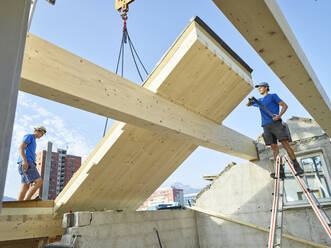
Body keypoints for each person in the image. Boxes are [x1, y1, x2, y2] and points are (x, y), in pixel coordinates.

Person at [246, 82, 304, 179]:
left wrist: (279, 116)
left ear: (266, 88)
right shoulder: (259, 100)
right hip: (265, 126)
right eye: (258, 88)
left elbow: (285, 105)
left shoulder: (273, 96)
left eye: (261, 87)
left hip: (275, 124)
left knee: (285, 145)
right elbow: (247, 105)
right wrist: (250, 99)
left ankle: (297, 167)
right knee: (274, 148)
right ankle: (279, 171)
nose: (259, 89)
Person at [17, 126, 47, 200]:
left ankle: (18, 204)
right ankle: (27, 201)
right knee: (39, 182)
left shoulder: (33, 140)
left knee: (25, 186)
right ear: (37, 131)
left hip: (26, 163)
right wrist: (24, 160)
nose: (42, 136)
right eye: (42, 134)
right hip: (27, 162)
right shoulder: (29, 136)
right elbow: (21, 147)